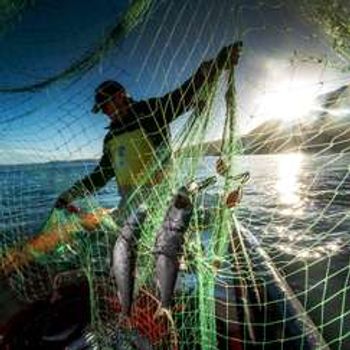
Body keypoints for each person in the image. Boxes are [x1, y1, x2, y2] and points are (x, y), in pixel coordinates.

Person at [54, 42, 242, 211]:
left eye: (105, 105)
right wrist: (71, 194)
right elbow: (100, 177)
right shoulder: (110, 138)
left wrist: (211, 67)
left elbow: (182, 96)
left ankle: (220, 206)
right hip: (129, 208)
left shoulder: (151, 111)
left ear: (120, 96)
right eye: (101, 108)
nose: (104, 111)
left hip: (161, 203)